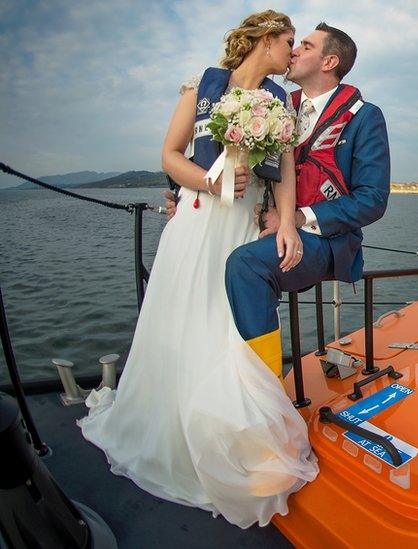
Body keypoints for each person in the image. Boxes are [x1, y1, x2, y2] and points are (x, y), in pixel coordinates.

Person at [78, 11, 318, 529]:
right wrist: (210, 183)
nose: (292, 52)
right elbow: (169, 154)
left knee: (227, 324)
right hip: (198, 216)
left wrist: (287, 227)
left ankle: (234, 433)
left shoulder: (280, 104)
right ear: (264, 40)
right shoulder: (202, 85)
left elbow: (285, 170)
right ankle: (173, 429)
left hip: (242, 226)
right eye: (288, 42)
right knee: (185, 318)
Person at [198, 22, 391, 378]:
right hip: (261, 220)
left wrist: (298, 219)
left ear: (329, 61)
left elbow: (374, 199)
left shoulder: (365, 116)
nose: (295, 50)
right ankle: (214, 378)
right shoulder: (275, 104)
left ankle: (263, 388)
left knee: (247, 266)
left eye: (305, 45)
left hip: (325, 241)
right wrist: (191, 192)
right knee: (206, 263)